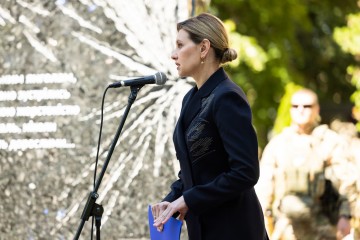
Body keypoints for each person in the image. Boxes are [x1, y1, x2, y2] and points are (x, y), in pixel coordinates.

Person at [151, 13, 269, 240]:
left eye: (180, 45)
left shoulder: (227, 97)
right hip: (202, 228)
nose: (173, 54)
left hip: (234, 228)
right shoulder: (190, 98)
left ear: (204, 48)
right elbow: (195, 169)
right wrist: (171, 199)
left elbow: (245, 172)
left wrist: (189, 199)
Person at [255, 88, 353, 240]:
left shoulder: (330, 142)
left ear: (317, 109)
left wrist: (345, 216)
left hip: (323, 227)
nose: (300, 110)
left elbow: (347, 182)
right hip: (287, 228)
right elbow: (264, 186)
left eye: (307, 106)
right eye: (295, 106)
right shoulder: (279, 144)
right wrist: (264, 219)